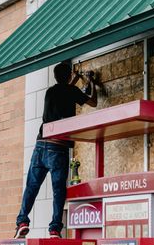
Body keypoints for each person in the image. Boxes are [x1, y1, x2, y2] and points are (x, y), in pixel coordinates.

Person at [14, 63, 97, 239]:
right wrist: (92, 82)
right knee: (58, 190)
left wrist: (73, 80)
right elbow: (93, 101)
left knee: (32, 186)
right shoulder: (72, 92)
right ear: (68, 77)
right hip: (57, 148)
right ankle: (54, 229)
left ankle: (22, 221)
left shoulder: (50, 92)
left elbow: (64, 91)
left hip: (40, 145)